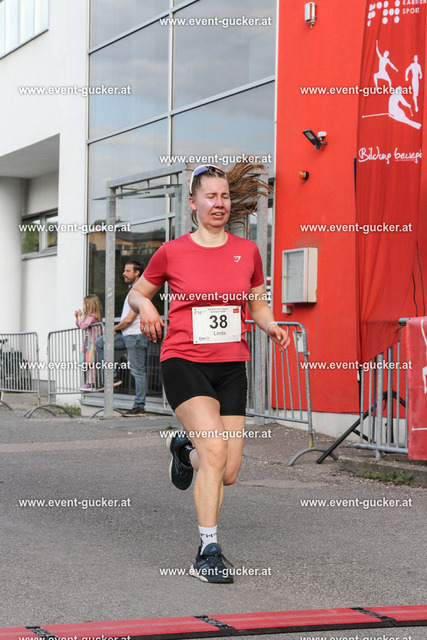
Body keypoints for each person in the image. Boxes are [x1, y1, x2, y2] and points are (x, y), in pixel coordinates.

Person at [129, 163, 290, 583]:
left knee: (228, 470)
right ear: (193, 203)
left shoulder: (248, 251)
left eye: (225, 197)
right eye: (211, 197)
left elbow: (257, 303)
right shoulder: (172, 251)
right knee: (215, 450)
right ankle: (207, 551)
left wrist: (270, 324)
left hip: (231, 366)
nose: (219, 204)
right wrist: (146, 307)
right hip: (184, 361)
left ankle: (184, 452)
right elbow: (137, 292)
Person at [95, 261, 149, 417]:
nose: (124, 273)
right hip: (126, 335)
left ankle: (139, 407)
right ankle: (113, 376)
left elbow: (130, 318)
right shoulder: (133, 290)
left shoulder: (141, 291)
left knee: (138, 372)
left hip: (136, 336)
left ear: (137, 273)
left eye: (127, 271)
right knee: (100, 343)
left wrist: (115, 328)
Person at [75, 294, 103, 391]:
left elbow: (83, 326)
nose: (83, 306)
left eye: (85, 304)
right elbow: (80, 325)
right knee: (88, 363)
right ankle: (89, 382)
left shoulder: (92, 316)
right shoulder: (91, 316)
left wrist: (80, 318)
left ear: (90, 305)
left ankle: (91, 383)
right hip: (89, 342)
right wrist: (78, 318)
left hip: (92, 343)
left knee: (91, 363)